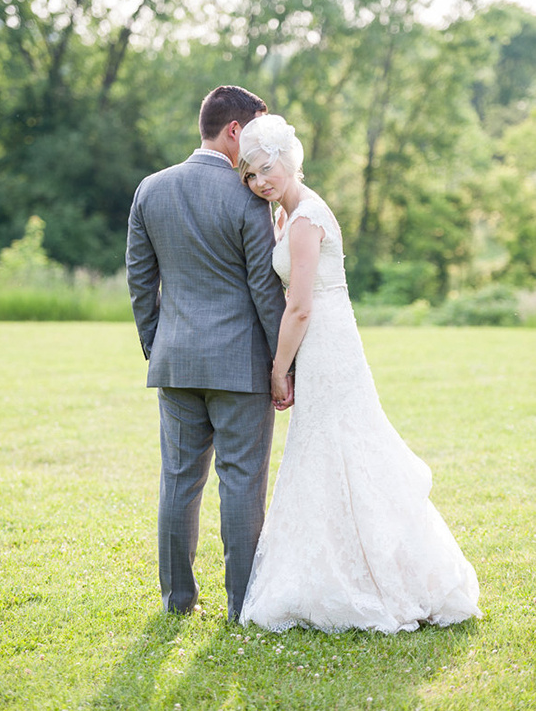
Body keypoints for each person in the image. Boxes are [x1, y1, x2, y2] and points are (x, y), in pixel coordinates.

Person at [237, 113, 482, 634]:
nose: (260, 182)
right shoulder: (286, 215)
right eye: (251, 175)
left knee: (345, 446)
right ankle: (335, 565)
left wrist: (280, 370)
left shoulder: (304, 219)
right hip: (323, 342)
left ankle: (386, 577)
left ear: (287, 160)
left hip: (325, 344)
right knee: (325, 451)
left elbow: (299, 307)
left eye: (265, 169)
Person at [126, 86, 289, 621]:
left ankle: (178, 600)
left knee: (178, 480)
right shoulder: (249, 197)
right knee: (242, 482)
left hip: (175, 362)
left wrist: (158, 346)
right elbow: (266, 291)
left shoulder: (150, 189)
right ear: (235, 131)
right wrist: (279, 365)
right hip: (240, 366)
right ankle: (242, 604)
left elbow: (140, 280)